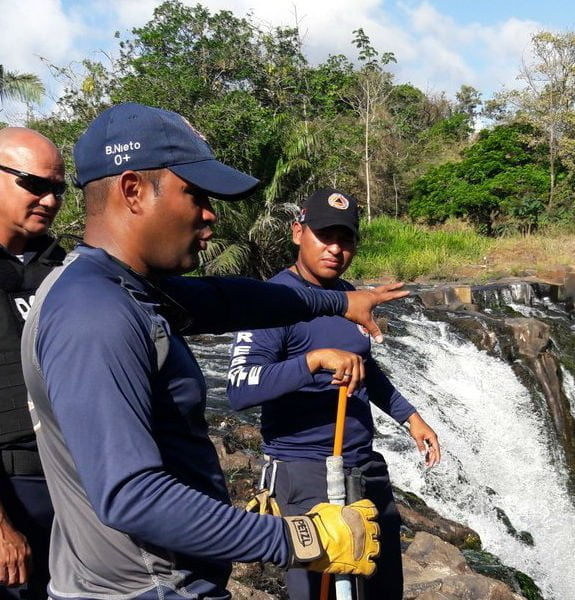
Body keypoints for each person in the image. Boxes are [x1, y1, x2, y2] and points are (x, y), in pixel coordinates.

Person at [20, 103, 407, 600]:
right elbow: (131, 496)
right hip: (148, 589)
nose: (210, 213)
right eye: (195, 194)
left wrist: (341, 301)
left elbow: (233, 300)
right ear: (133, 189)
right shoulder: (95, 313)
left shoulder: (128, 287)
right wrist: (299, 538)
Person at [226, 188, 441, 600]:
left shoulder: (350, 297)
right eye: (324, 235)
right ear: (297, 233)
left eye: (345, 239)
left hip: (363, 468)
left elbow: (366, 367)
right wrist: (315, 360)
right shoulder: (270, 301)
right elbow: (238, 388)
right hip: (303, 476)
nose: (335, 248)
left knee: (381, 590)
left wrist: (410, 418)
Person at [0, 127, 66, 600]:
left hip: (68, 481)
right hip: (10, 485)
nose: (48, 198)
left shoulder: (65, 269)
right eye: (33, 184)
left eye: (57, 188)